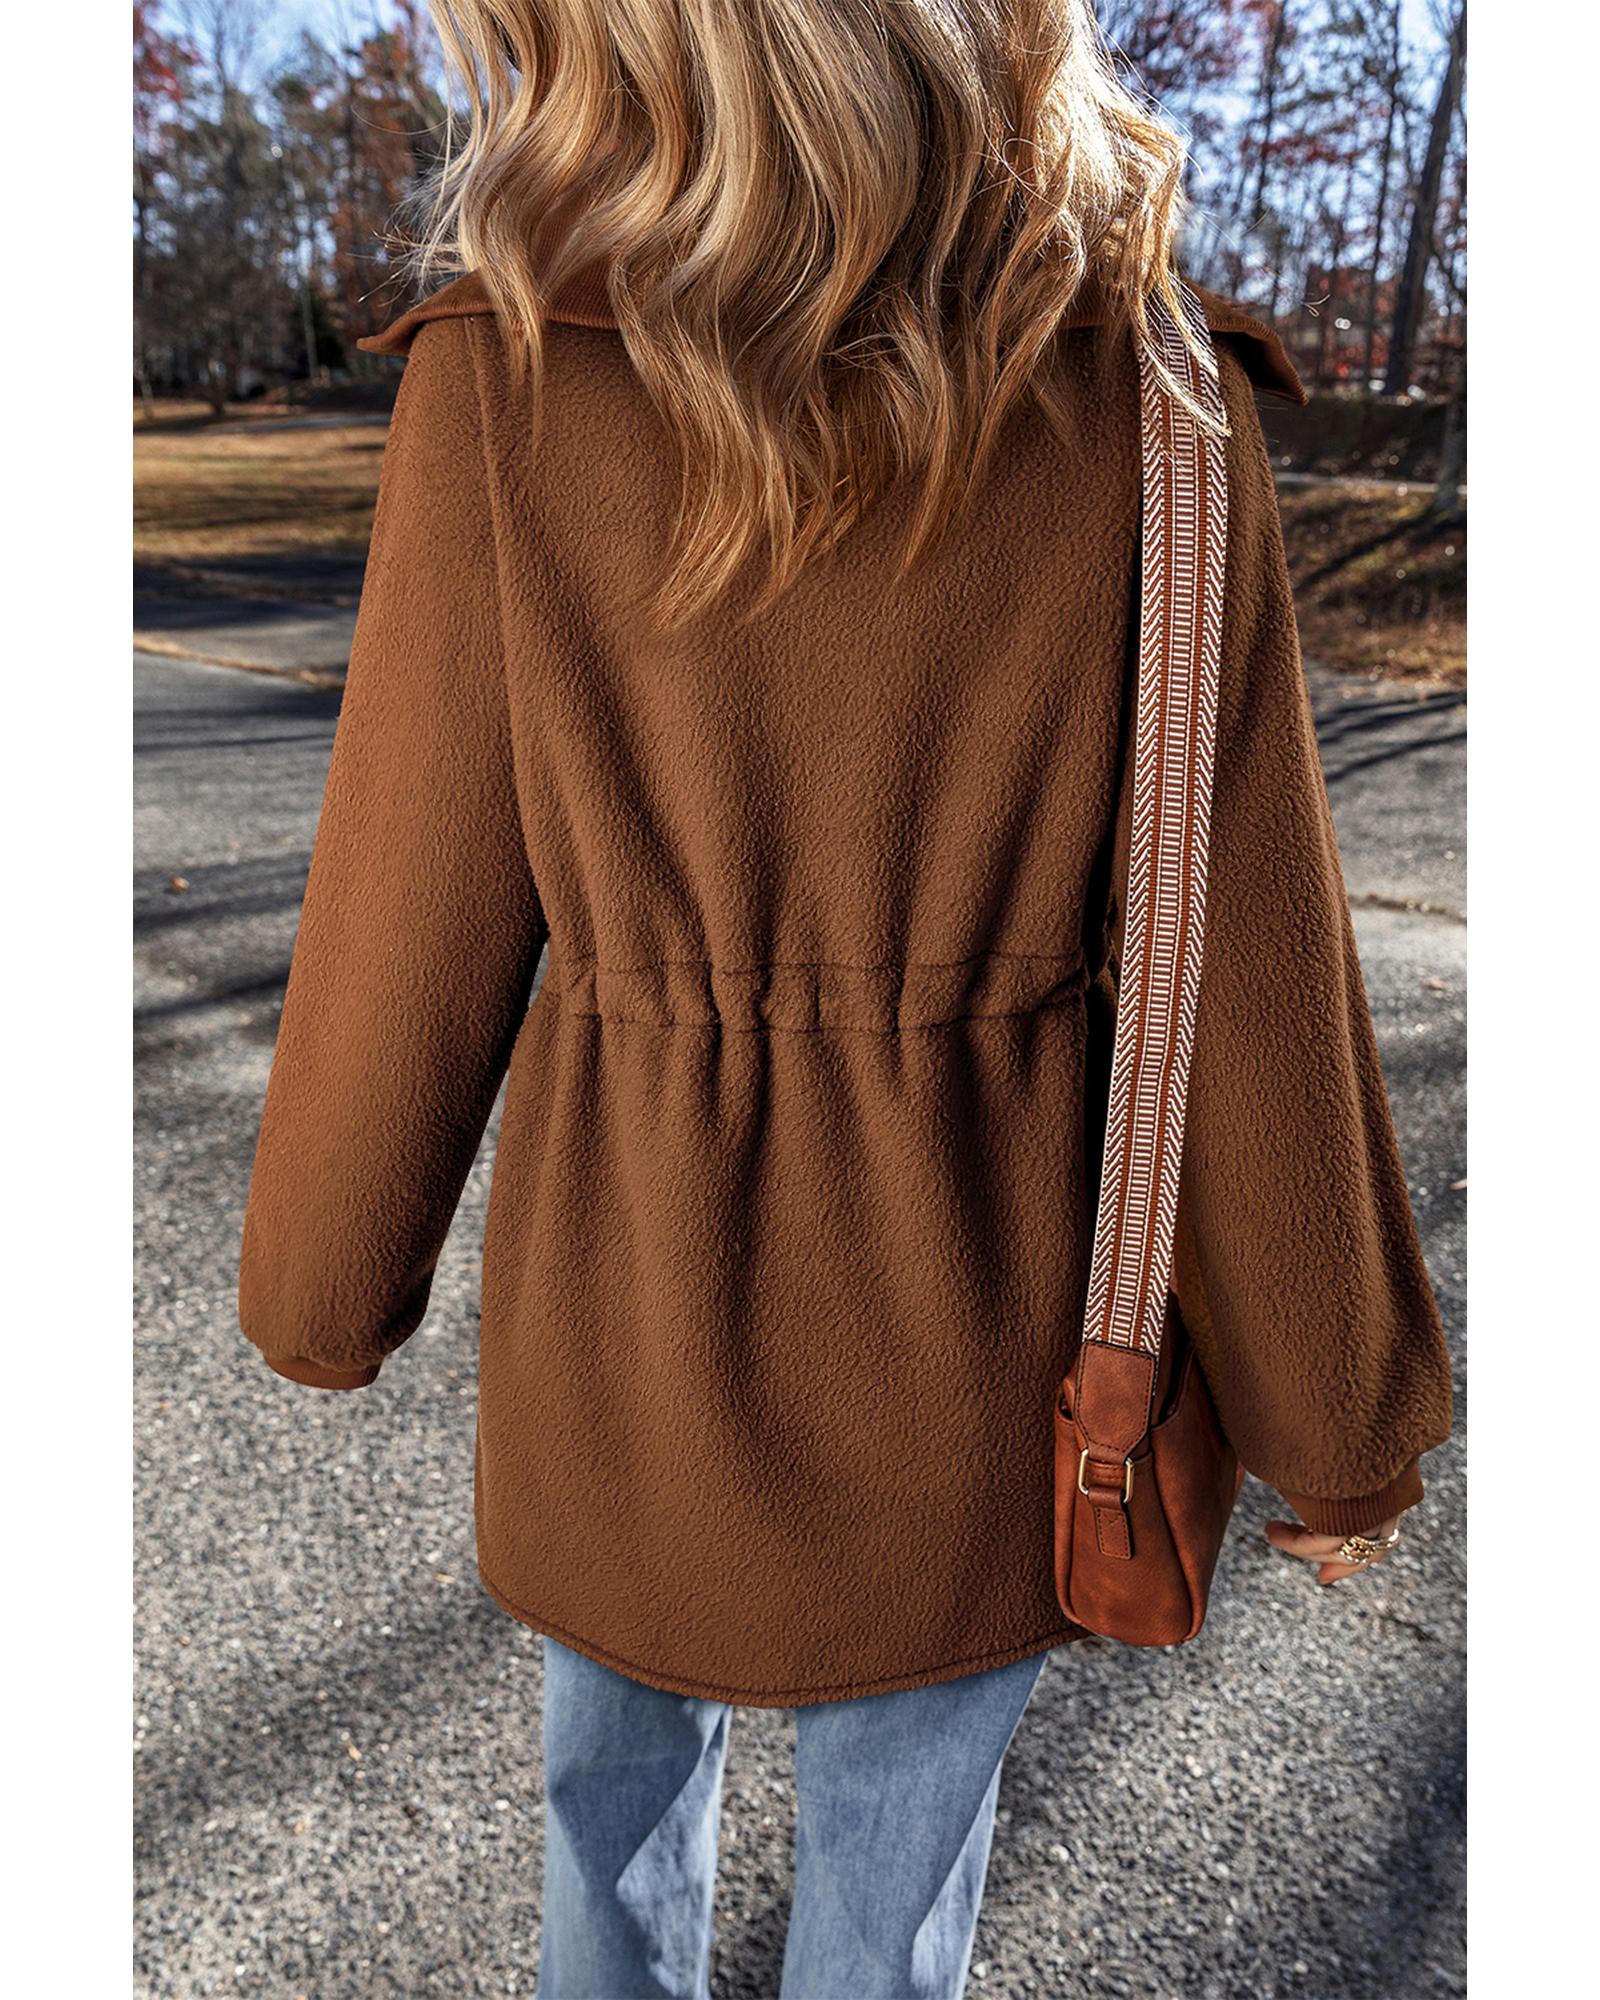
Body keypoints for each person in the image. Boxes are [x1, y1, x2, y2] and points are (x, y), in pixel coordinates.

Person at [236, 3, 1454, 1994]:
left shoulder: (513, 369)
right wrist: (1337, 1409)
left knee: (603, 1829)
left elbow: (408, 892)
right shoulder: (1154, 392)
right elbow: (1244, 957)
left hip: (624, 1307)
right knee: (895, 1905)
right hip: (975, 1318)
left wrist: (321, 1279)